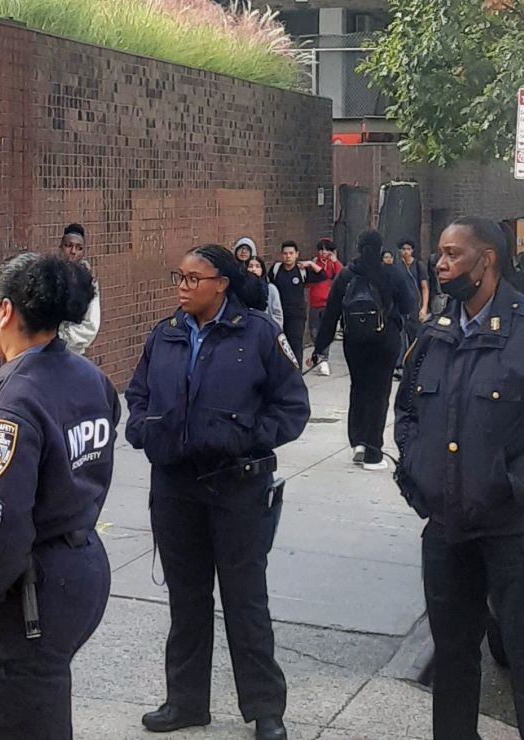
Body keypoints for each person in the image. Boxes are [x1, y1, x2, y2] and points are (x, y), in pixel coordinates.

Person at [126, 245, 310, 740]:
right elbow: (138, 394)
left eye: (193, 278)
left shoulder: (260, 334)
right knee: (186, 600)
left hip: (237, 488)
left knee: (245, 601)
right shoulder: (163, 334)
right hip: (175, 486)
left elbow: (292, 408)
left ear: (221, 284)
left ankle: (265, 709)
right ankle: (186, 702)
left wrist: (244, 437)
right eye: (178, 277)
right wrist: (145, 429)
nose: (182, 286)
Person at [0, 252, 119, 739]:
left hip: (26, 591)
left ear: (6, 312)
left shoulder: (9, 401)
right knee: (23, 710)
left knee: (16, 719)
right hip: (77, 566)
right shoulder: (89, 378)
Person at [394, 217, 524, 740]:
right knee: (454, 659)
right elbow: (407, 412)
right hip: (447, 529)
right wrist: (417, 472)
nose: (438, 264)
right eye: (438, 254)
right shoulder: (435, 332)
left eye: (450, 254)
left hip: (513, 530)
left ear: (486, 261)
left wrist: (515, 484)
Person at [308, 230, 418, 471]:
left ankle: (358, 441)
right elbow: (410, 304)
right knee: (379, 393)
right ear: (380, 248)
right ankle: (373, 452)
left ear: (358, 247)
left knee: (359, 388)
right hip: (385, 340)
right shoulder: (392, 273)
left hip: (354, 341)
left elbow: (330, 315)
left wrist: (319, 348)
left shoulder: (346, 275)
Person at [57, 223, 103, 356]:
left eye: (79, 248)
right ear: (60, 247)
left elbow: (91, 326)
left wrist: (61, 336)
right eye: (68, 246)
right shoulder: (50, 276)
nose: (73, 252)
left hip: (73, 354)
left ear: (83, 252)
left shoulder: (89, 282)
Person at [267, 241, 310, 369]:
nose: (288, 256)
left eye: (291, 253)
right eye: (285, 253)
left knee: (295, 345)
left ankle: (296, 373)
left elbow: (323, 276)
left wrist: (311, 264)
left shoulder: (301, 270)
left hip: (296, 315)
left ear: (297, 254)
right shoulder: (276, 269)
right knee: (278, 344)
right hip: (279, 314)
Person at [304, 238, 341, 377]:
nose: (324, 252)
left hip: (328, 304)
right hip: (314, 303)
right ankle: (318, 355)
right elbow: (307, 282)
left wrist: (335, 261)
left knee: (325, 332)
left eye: (327, 249)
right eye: (321, 249)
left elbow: (341, 275)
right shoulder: (314, 264)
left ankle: (323, 359)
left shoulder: (333, 265)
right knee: (314, 331)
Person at [245, 255, 284, 328]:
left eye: (257, 266)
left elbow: (277, 313)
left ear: (262, 269)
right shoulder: (241, 288)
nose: (254, 269)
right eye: (250, 266)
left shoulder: (271, 288)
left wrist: (274, 330)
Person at [397, 239, 431, 323]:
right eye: (404, 249)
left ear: (412, 250)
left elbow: (424, 287)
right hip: (401, 306)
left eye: (408, 249)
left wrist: (424, 308)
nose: (406, 251)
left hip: (416, 306)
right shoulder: (397, 266)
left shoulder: (419, 265)